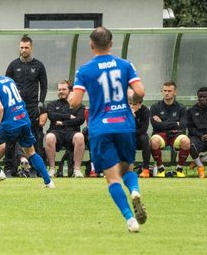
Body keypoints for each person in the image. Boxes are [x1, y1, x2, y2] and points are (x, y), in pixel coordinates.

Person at [68, 27, 147, 233]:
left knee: (112, 178)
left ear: (91, 45)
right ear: (111, 44)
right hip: (124, 124)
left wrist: (70, 97)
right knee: (127, 169)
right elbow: (140, 91)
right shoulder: (125, 65)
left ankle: (130, 220)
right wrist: (132, 99)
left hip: (101, 127)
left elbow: (75, 102)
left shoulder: (85, 70)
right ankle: (135, 191)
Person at [0, 58, 54, 188]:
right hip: (24, 120)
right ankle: (49, 182)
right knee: (31, 152)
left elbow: (0, 107)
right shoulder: (9, 80)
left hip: (10, 124)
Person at [5, 36, 48, 176]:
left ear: (31, 48)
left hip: (32, 108)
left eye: (26, 47)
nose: (24, 50)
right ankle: (10, 168)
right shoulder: (13, 65)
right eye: (22, 47)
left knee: (34, 138)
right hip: (15, 108)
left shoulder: (39, 65)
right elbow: (6, 85)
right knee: (11, 138)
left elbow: (44, 86)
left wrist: (40, 103)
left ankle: (36, 169)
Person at [149, 81, 191, 178]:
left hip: (176, 134)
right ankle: (160, 168)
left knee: (186, 141)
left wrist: (162, 122)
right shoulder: (155, 107)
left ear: (175, 92)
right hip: (160, 134)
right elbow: (156, 126)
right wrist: (175, 123)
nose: (166, 93)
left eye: (169, 91)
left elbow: (183, 126)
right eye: (164, 91)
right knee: (154, 141)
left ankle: (179, 169)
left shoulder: (181, 108)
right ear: (162, 92)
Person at [45, 80, 85, 178]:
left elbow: (80, 120)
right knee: (49, 137)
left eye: (64, 89)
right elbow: (52, 116)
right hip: (56, 131)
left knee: (79, 136)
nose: (61, 91)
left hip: (72, 132)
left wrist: (63, 122)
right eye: (59, 90)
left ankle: (77, 170)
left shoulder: (79, 105)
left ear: (70, 91)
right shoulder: (52, 104)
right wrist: (69, 116)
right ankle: (52, 169)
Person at [128, 90, 151, 179]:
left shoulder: (145, 111)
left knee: (145, 139)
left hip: (139, 136)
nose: (131, 106)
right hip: (128, 136)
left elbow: (143, 129)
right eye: (130, 104)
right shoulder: (124, 110)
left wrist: (133, 117)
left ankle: (145, 169)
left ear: (140, 105)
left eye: (134, 104)